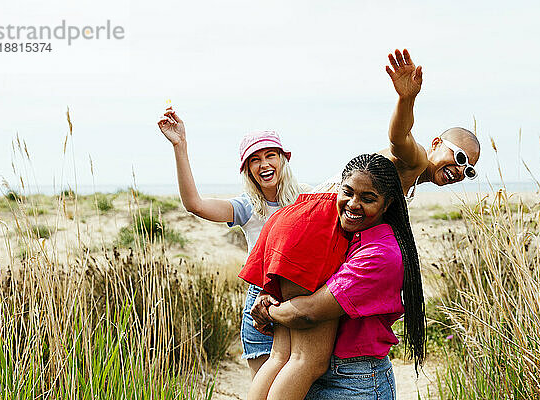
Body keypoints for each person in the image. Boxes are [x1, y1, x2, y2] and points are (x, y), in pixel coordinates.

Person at [240, 154, 424, 400]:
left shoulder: (371, 246)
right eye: (348, 192)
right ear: (339, 187)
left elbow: (306, 311)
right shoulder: (371, 243)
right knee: (304, 360)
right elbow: (307, 313)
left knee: (280, 356)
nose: (353, 204)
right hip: (355, 378)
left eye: (367, 199)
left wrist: (269, 308)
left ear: (387, 204)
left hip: (289, 227)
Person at [157, 109, 302, 378]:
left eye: (270, 155)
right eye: (255, 160)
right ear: (247, 170)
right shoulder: (248, 206)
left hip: (300, 303)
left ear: (283, 159)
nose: (264, 164)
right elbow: (195, 205)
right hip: (261, 309)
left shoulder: (306, 201)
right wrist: (180, 146)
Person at [317, 49, 481, 199]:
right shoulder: (418, 160)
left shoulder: (414, 178)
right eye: (460, 157)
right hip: (327, 206)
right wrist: (406, 99)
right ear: (436, 143)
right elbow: (399, 138)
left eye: (468, 170)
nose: (460, 171)